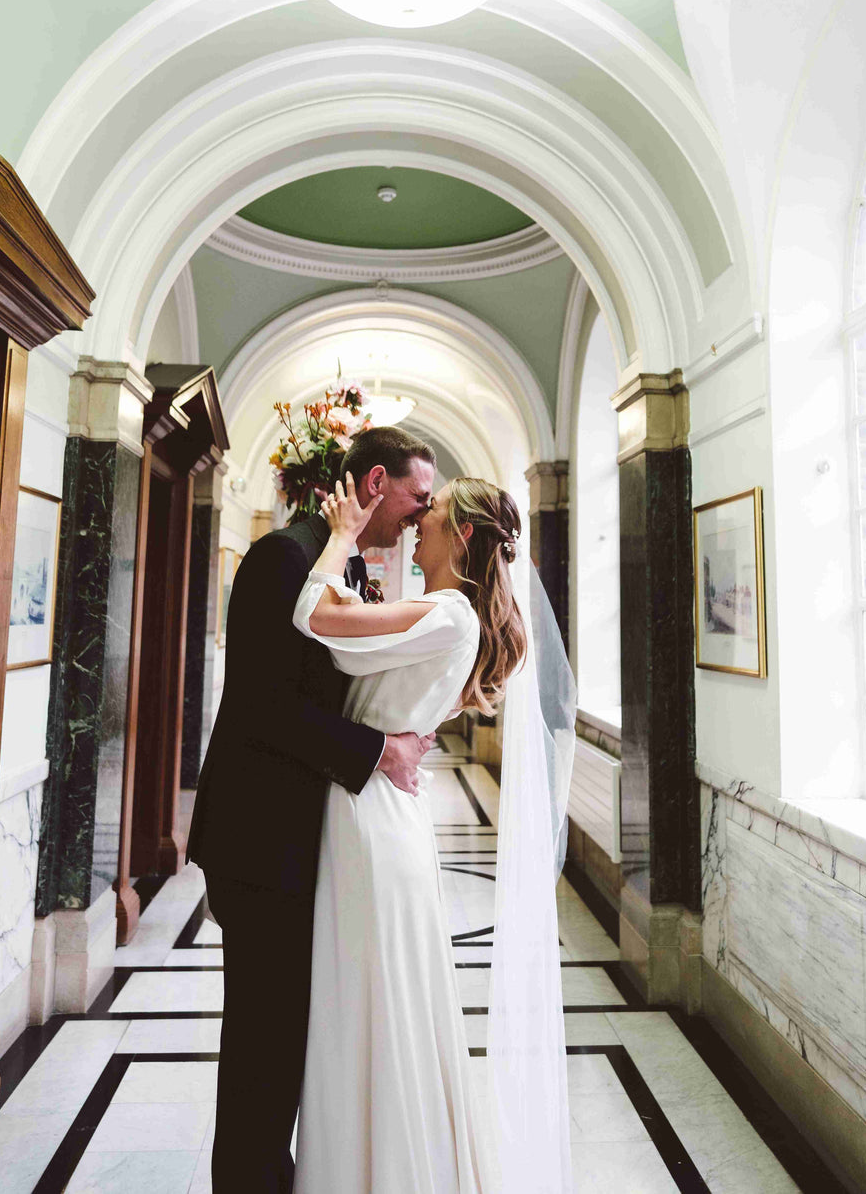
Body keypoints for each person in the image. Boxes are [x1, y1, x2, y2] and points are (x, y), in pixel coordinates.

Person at [186, 425, 439, 1193]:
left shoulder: (336, 560)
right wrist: (377, 751)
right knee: (265, 1044)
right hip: (261, 845)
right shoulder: (282, 557)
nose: (419, 515)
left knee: (286, 1037)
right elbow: (264, 703)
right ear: (373, 486)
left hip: (293, 840)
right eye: (415, 497)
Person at [290, 471, 530, 1193]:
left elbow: (315, 616)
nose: (420, 519)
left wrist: (338, 538)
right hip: (377, 812)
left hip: (369, 819)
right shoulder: (445, 610)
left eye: (435, 512)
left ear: (460, 535)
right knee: (371, 1008)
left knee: (372, 1012)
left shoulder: (450, 614)